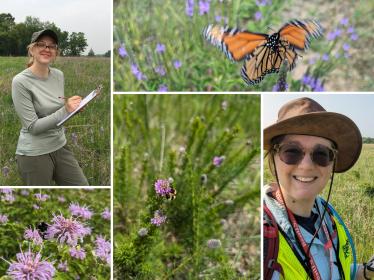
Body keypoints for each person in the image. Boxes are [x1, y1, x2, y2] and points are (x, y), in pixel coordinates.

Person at [263, 97, 374, 279]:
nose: (306, 165)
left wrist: (367, 271)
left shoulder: (328, 216)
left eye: (321, 154)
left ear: (332, 163)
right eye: (291, 151)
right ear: (273, 157)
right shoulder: (264, 240)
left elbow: (333, 270)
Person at [12, 29, 88, 186]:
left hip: (60, 145)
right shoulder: (20, 82)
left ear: (56, 52)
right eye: (41, 44)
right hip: (34, 154)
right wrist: (66, 109)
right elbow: (33, 127)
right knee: (40, 199)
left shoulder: (58, 75)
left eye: (52, 46)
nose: (47, 49)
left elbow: (57, 116)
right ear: (31, 50)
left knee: (82, 186)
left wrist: (73, 110)